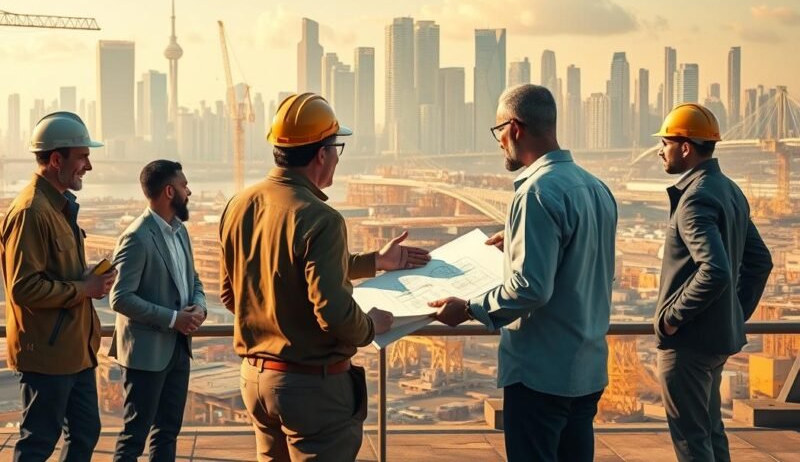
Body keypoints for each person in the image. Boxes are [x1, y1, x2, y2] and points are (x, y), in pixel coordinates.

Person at [219, 93, 430, 462]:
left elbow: (232, 293)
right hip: (310, 391)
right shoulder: (322, 218)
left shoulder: (239, 205)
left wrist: (374, 261)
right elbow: (332, 312)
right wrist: (370, 325)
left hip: (255, 379)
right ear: (321, 154)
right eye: (336, 148)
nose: (336, 158)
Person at [429, 84, 617, 462]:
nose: (498, 142)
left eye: (497, 131)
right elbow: (580, 265)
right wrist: (518, 240)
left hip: (540, 376)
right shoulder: (597, 189)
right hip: (587, 369)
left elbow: (530, 289)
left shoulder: (536, 192)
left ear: (514, 128)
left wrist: (468, 308)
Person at [652, 103, 772, 462]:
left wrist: (672, 317)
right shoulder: (730, 190)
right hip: (715, 341)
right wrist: (733, 312)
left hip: (687, 343)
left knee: (692, 441)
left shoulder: (695, 198)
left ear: (685, 147)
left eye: (665, 142)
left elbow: (715, 269)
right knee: (711, 430)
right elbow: (760, 263)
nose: (660, 149)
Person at [0, 112, 115, 462]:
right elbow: (24, 287)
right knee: (38, 442)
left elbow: (55, 272)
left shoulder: (57, 208)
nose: (88, 166)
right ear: (55, 159)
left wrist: (87, 274)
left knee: (85, 433)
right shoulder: (32, 212)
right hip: (48, 355)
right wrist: (85, 288)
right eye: (82, 157)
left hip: (74, 351)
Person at [109, 160, 206, 462]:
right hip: (145, 355)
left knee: (167, 433)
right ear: (169, 191)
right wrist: (175, 319)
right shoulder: (136, 237)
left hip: (178, 349)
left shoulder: (180, 232)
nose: (188, 191)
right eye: (183, 185)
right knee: (134, 438)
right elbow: (120, 297)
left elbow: (194, 279)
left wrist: (200, 306)